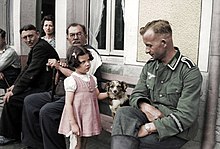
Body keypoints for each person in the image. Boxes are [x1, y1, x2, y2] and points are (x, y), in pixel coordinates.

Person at [111, 19, 203, 149]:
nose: (146, 50)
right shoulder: (151, 66)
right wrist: (145, 106)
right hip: (148, 116)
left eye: (149, 45)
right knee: (123, 114)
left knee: (133, 139)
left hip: (175, 129)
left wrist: (149, 127)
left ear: (164, 43)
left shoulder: (189, 71)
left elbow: (186, 116)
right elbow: (137, 94)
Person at [22, 23, 102, 149]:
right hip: (63, 92)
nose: (75, 37)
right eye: (72, 35)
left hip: (80, 97)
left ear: (85, 36)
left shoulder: (89, 54)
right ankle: (36, 144)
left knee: (47, 111)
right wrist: (61, 69)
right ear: (68, 38)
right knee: (30, 101)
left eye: (79, 34)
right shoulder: (72, 52)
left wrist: (59, 67)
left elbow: (83, 80)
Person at [0, 24, 59, 145]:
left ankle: (9, 135)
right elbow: (26, 70)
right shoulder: (37, 47)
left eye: (31, 36)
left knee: (13, 99)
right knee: (13, 97)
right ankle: (12, 133)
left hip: (47, 88)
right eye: (25, 37)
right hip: (39, 86)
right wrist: (14, 86)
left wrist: (14, 91)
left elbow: (31, 72)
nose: (28, 40)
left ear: (37, 34)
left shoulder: (41, 48)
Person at [58, 46, 107, 149]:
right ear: (75, 63)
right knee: (76, 144)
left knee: (84, 143)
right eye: (83, 62)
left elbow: (97, 95)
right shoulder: (72, 80)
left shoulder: (92, 78)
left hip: (87, 117)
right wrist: (73, 123)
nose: (87, 64)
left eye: (88, 60)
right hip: (76, 117)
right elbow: (68, 103)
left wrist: (110, 94)